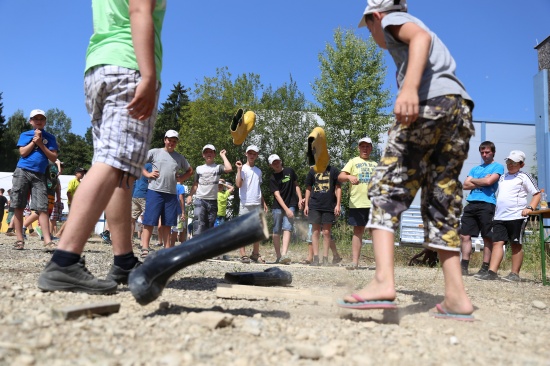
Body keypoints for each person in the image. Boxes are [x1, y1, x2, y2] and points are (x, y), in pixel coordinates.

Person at [339, 0, 475, 320]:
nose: (372, 33)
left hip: (429, 105)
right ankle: (456, 296)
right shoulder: (414, 27)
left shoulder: (393, 21)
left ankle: (384, 281)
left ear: (375, 17)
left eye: (368, 26)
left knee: (386, 188)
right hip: (458, 112)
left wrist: (410, 88)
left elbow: (419, 38)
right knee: (441, 200)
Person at [37, 0, 167, 294]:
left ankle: (123, 260)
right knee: (112, 165)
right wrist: (148, 75)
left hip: (100, 64)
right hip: (128, 66)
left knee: (119, 170)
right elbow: (138, 10)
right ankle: (64, 260)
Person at [477, 151, 540, 282]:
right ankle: (492, 272)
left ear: (521, 164)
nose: (510, 165)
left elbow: (537, 194)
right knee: (497, 243)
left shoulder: (524, 176)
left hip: (517, 215)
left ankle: (514, 274)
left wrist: (530, 207)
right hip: (500, 216)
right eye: (508, 162)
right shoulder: (502, 177)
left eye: (514, 162)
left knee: (515, 244)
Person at [140, 130, 193, 257]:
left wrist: (181, 178)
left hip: (170, 193)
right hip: (155, 191)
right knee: (149, 221)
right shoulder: (155, 152)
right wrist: (147, 174)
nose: (171, 143)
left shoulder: (179, 157)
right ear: (165, 140)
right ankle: (145, 248)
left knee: (167, 223)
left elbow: (190, 170)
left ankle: (166, 249)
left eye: (174, 141)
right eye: (169, 140)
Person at [11, 109, 58, 250]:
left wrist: (42, 144)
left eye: (41, 119)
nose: (38, 121)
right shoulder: (25, 135)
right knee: (18, 205)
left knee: (42, 207)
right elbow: (23, 152)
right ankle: (20, 240)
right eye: (35, 119)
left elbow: (53, 157)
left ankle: (48, 241)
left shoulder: (50, 138)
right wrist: (34, 141)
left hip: (40, 174)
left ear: (45, 121)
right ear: (31, 121)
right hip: (22, 171)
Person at [460, 141, 504, 277]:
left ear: (493, 152)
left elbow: (489, 182)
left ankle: (485, 267)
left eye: (487, 152)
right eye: (482, 152)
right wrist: (481, 180)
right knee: (464, 235)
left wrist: (474, 181)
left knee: (487, 237)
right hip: (471, 203)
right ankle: (464, 266)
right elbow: (464, 185)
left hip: (487, 204)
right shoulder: (475, 169)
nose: (484, 155)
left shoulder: (498, 166)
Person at [338, 137, 377, 268]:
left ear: (371, 148)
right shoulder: (353, 161)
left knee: (376, 233)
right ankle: (355, 262)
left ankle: (381, 263)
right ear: (359, 148)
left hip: (374, 203)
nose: (365, 149)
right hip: (357, 202)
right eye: (362, 146)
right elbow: (340, 176)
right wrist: (349, 176)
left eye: (367, 146)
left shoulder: (376, 164)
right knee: (358, 231)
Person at [187, 145, 232, 236]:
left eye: (211, 152)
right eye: (206, 152)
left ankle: (206, 247)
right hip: (200, 199)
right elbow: (195, 184)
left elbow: (229, 168)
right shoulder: (199, 168)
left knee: (210, 226)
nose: (208, 154)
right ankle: (197, 246)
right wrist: (190, 195)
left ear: (214, 154)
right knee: (198, 223)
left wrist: (223, 156)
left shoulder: (218, 167)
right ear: (203, 155)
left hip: (213, 201)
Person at [304, 159, 341, 266]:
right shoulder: (312, 171)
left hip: (329, 205)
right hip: (315, 205)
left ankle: (325, 258)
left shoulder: (333, 171)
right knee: (315, 231)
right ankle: (316, 258)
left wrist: (338, 204)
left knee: (326, 232)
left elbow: (338, 188)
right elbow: (308, 188)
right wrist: (306, 204)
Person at [267, 154, 303, 264]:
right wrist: (286, 209)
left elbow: (296, 185)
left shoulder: (289, 171)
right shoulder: (273, 178)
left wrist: (300, 199)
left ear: (281, 161)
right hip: (278, 206)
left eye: (277, 161)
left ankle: (284, 254)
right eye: (274, 163)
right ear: (271, 166)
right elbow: (277, 195)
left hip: (291, 203)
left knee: (287, 227)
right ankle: (278, 256)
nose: (276, 164)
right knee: (276, 230)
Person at [236, 145, 268, 263]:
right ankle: (243, 254)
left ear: (257, 156)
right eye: (250, 153)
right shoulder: (242, 168)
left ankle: (255, 254)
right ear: (246, 154)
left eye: (254, 154)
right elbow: (238, 184)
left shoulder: (258, 171)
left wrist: (263, 202)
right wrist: (239, 170)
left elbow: (258, 187)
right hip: (245, 203)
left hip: (256, 202)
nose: (252, 156)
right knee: (243, 230)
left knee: (257, 230)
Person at [57, 167, 87, 238]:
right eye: (81, 172)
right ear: (76, 173)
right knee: (71, 219)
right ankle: (60, 232)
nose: (83, 174)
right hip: (73, 203)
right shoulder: (72, 181)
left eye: (83, 173)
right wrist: (72, 202)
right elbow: (69, 192)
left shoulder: (80, 182)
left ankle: (70, 233)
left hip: (78, 204)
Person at [131, 163, 152, 244]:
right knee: (147, 219)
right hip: (145, 195)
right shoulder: (150, 166)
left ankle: (130, 241)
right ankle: (143, 243)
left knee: (132, 219)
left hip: (135, 194)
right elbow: (150, 180)